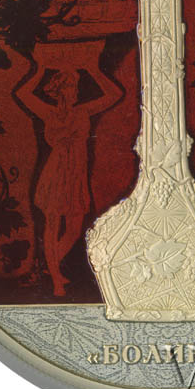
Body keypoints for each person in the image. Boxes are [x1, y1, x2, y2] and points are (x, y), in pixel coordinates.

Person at [17, 42, 122, 296]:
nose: (74, 91)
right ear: (59, 91)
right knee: (52, 223)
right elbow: (22, 94)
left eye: (75, 87)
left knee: (74, 226)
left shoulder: (83, 111)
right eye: (69, 87)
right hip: (56, 170)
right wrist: (41, 70)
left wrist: (93, 69)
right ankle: (56, 279)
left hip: (76, 172)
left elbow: (114, 94)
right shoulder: (48, 112)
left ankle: (50, 265)